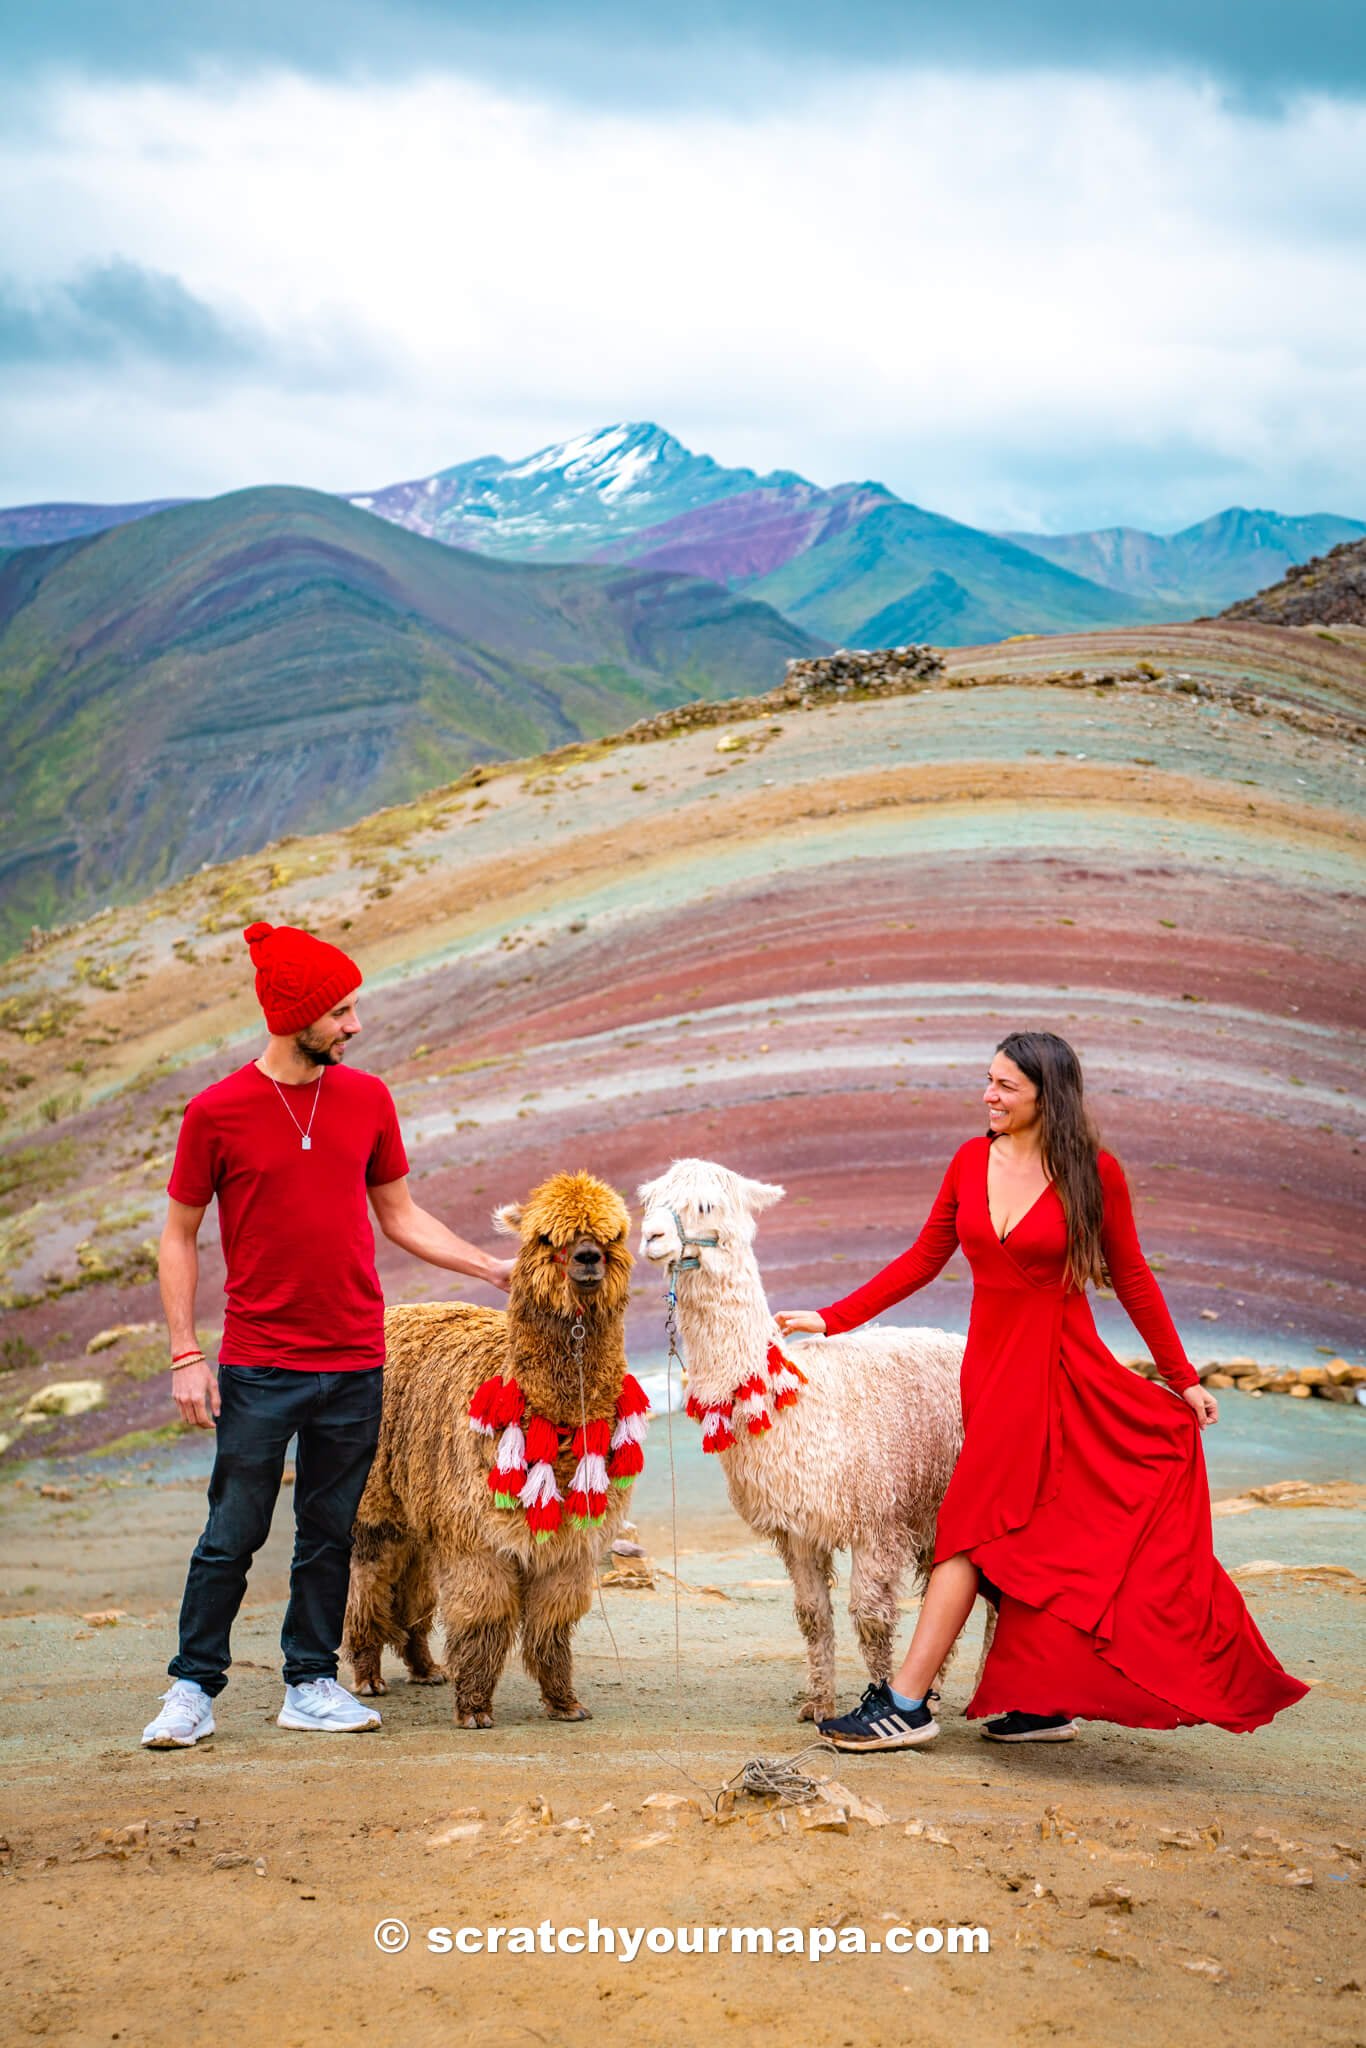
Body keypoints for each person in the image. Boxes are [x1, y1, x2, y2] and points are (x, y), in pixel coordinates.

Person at [775, 1029, 1308, 1753]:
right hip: (990, 1375)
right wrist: (835, 1317)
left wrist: (1180, 1378)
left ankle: (905, 1703)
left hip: (1059, 1370)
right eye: (988, 1081)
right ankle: (1043, 1702)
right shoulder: (969, 1160)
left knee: (965, 1531)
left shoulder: (1094, 1172)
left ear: (1045, 1098)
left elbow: (1134, 1279)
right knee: (1030, 1534)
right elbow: (926, 1257)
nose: (987, 1096)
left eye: (1005, 1087)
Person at [141, 921, 515, 1750]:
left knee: (331, 1534)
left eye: (353, 1009)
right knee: (231, 1533)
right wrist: (185, 1352)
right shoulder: (217, 1113)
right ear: (293, 1015)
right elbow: (179, 1234)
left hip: (355, 1360)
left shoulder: (368, 1099)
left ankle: (310, 1682)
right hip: (259, 1363)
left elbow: (402, 1215)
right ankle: (191, 1689)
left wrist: (489, 1269)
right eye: (340, 1012)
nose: (354, 1026)